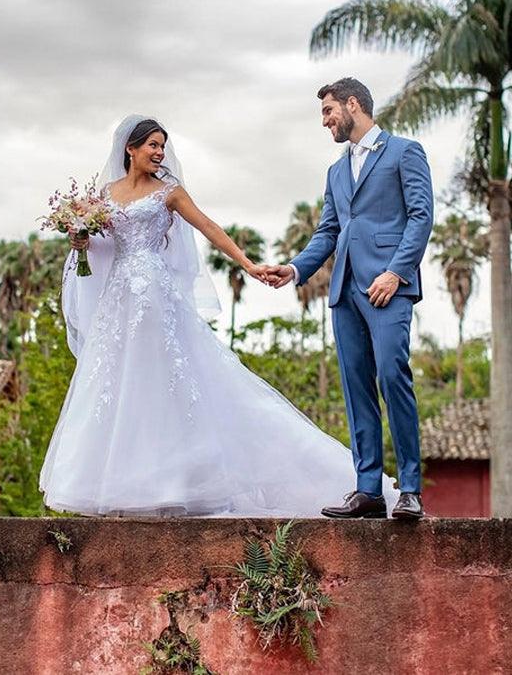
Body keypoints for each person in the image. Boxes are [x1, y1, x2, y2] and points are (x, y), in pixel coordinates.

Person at [39, 114, 398, 517]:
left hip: (154, 297)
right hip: (117, 300)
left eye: (162, 146)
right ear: (130, 148)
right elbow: (101, 247)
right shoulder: (105, 194)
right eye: (152, 145)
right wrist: (81, 241)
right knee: (116, 384)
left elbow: (209, 227)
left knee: (161, 381)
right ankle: (122, 488)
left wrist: (248, 263)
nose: (159, 153)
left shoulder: (169, 193)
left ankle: (171, 485)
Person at [267, 78, 433, 520]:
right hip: (344, 292)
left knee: (393, 377)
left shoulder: (405, 152)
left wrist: (396, 273)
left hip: (388, 288)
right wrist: (295, 269)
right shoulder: (335, 172)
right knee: (356, 388)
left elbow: (421, 217)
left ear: (352, 104)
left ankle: (410, 490)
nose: (325, 121)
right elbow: (328, 232)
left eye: (328, 111)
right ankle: (368, 490)